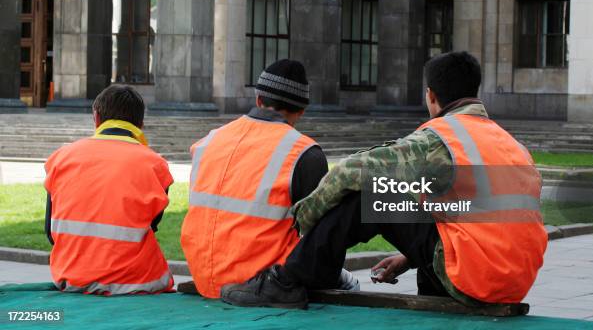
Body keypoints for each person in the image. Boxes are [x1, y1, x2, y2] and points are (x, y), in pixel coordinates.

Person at [220, 51, 548, 309]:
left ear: (431, 96)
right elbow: (478, 215)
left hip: (475, 279)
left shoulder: (442, 138)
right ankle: (433, 287)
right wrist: (410, 256)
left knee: (373, 195)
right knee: (409, 194)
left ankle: (289, 280)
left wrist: (304, 218)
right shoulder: (509, 144)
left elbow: (352, 171)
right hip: (513, 281)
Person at [181, 59, 358, 301]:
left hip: (205, 277)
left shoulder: (208, 142)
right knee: (347, 281)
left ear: (258, 99)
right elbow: (319, 236)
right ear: (302, 111)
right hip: (264, 283)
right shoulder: (303, 153)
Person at [44, 85, 174, 295]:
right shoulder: (155, 164)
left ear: (96, 118)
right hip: (138, 282)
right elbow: (152, 223)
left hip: (71, 277)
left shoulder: (62, 157)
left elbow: (49, 231)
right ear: (140, 124)